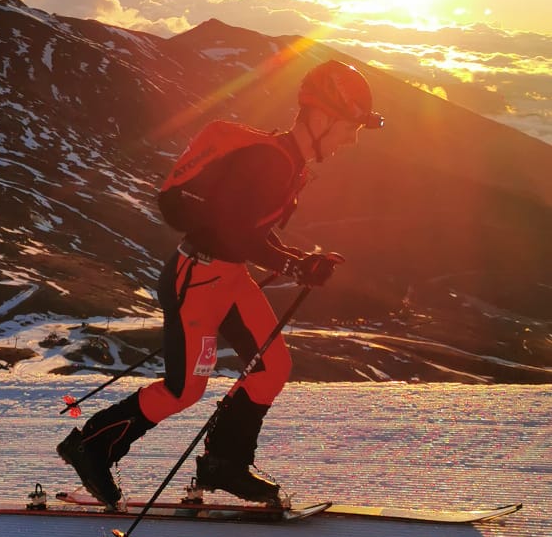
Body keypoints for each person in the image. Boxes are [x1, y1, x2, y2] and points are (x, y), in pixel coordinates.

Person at [58, 60, 383, 508]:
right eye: (350, 127)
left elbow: (248, 229)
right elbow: (233, 232)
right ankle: (91, 447)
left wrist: (297, 261)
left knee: (272, 366)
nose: (351, 139)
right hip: (198, 278)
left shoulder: (286, 161)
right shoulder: (272, 161)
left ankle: (224, 464)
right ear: (322, 117)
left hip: (226, 277)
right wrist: (293, 267)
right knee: (184, 389)